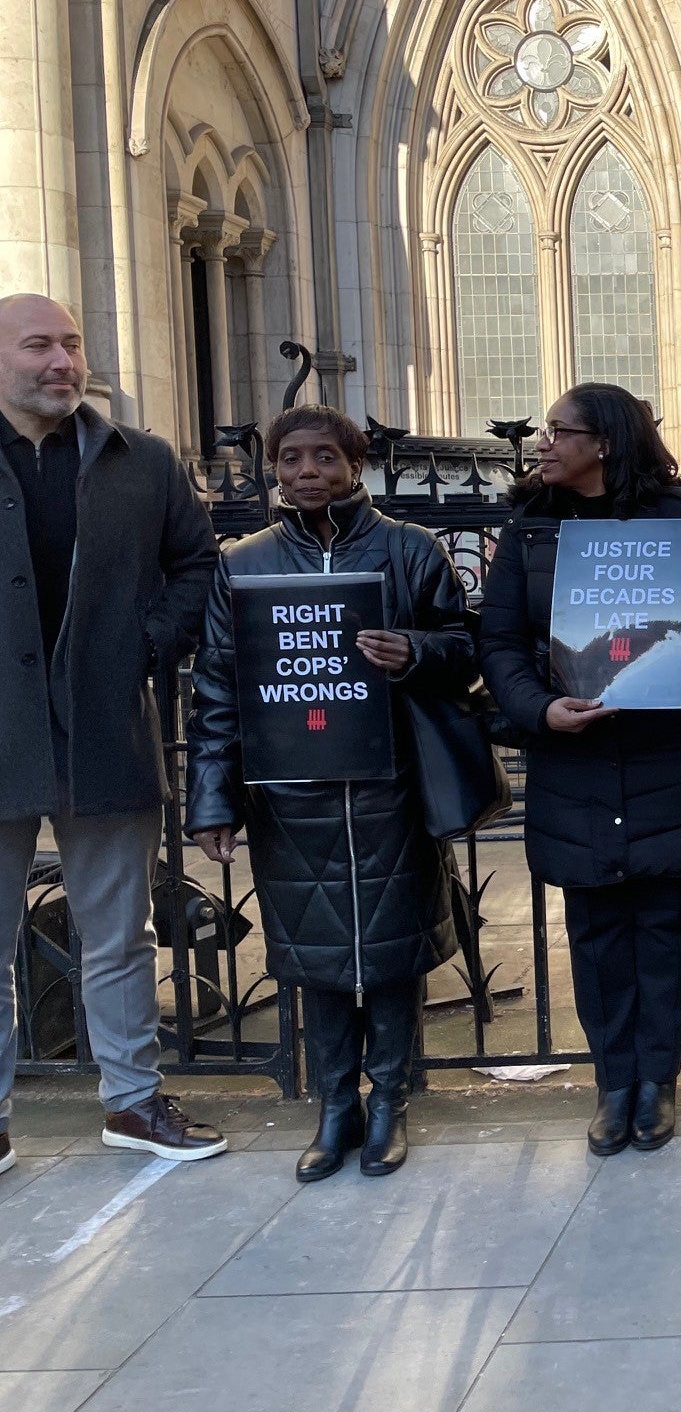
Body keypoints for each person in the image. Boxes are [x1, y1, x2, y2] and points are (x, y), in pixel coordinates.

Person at [186, 405, 473, 1181]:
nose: (306, 471)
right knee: (314, 956)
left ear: (356, 463)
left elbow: (464, 649)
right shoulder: (241, 562)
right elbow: (217, 687)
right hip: (291, 795)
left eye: (323, 457)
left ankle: (389, 1101)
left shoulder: (410, 551)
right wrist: (210, 797)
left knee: (388, 949)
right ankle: (335, 1103)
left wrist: (414, 649)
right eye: (290, 459)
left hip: (389, 789)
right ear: (273, 468)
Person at [481, 383, 681, 1156]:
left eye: (559, 431)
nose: (543, 442)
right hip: (576, 755)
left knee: (666, 928)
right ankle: (614, 1085)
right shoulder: (533, 530)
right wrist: (540, 709)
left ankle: (658, 1083)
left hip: (673, 753)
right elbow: (498, 644)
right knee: (597, 930)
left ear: (604, 442)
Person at [0, 293, 222, 1176]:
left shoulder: (143, 461)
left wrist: (146, 644)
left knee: (119, 933)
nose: (61, 360)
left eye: (72, 343)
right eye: (37, 345)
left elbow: (197, 564)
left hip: (105, 733)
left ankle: (132, 1103)